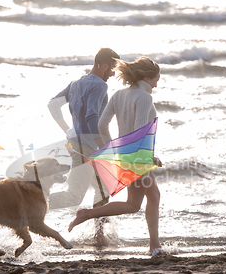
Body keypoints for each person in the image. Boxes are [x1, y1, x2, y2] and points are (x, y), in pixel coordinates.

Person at [68, 57, 163, 255]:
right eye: (156, 79)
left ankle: (155, 245)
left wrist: (113, 151)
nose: (157, 83)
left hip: (129, 156)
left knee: (150, 197)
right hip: (137, 158)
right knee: (133, 205)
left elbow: (102, 125)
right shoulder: (144, 97)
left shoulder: (119, 95)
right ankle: (87, 213)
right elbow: (138, 131)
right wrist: (147, 158)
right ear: (146, 78)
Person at [47, 48, 119, 211]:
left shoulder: (76, 83)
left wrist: (68, 130)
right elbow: (91, 116)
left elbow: (53, 104)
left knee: (104, 188)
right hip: (87, 148)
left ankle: (99, 234)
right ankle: (31, 202)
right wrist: (102, 147)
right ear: (105, 66)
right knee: (74, 196)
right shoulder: (100, 85)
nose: (113, 74)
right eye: (113, 69)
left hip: (75, 144)